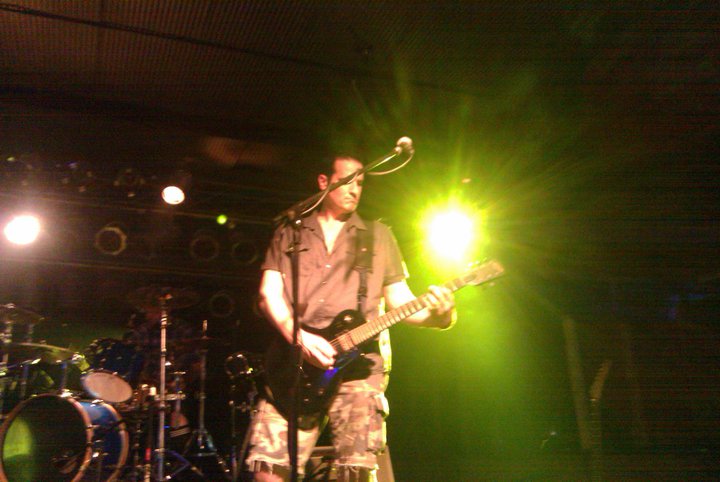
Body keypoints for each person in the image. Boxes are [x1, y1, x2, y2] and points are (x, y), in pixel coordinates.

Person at [246, 155, 456, 481]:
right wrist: (299, 337)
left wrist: (440, 315)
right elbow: (268, 294)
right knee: (267, 471)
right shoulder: (291, 231)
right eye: (347, 181)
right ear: (324, 182)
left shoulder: (378, 236)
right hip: (294, 365)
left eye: (360, 182)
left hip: (358, 370)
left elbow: (400, 301)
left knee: (356, 473)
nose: (355, 189)